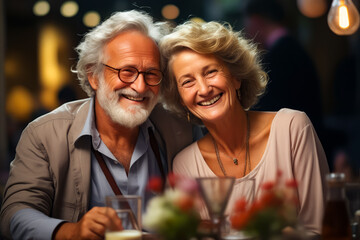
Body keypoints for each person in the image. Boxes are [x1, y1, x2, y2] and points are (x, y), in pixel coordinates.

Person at [0, 10, 195, 240]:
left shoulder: (180, 129)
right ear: (94, 76)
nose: (141, 87)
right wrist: (70, 231)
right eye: (127, 71)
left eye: (151, 74)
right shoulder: (44, 134)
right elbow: (14, 215)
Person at [159, 20, 329, 236]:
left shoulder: (292, 128)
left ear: (236, 77)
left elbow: (319, 230)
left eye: (211, 72)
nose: (203, 89)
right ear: (181, 100)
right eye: (188, 82)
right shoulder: (185, 165)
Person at [243, 0, 325, 141]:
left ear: (256, 21)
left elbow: (273, 108)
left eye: (248, 24)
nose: (247, 31)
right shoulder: (295, 48)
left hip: (294, 139)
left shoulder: (278, 56)